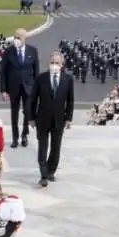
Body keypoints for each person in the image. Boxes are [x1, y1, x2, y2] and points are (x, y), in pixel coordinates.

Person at [29, 51, 75, 187]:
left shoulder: (68, 79)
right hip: (42, 118)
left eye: (57, 63)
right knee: (43, 147)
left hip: (59, 119)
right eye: (52, 62)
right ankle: (43, 174)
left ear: (62, 65)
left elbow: (70, 100)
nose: (54, 65)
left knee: (56, 148)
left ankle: (50, 171)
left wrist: (69, 118)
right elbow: (33, 99)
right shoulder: (41, 78)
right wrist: (31, 118)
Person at [1, 28, 39, 148]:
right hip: (13, 87)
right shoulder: (8, 52)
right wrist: (3, 90)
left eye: (19, 37)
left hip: (28, 87)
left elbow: (36, 71)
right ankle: (15, 137)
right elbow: (3, 72)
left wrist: (37, 88)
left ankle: (24, 134)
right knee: (14, 114)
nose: (16, 39)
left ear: (25, 38)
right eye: (15, 37)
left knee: (28, 112)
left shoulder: (32, 51)